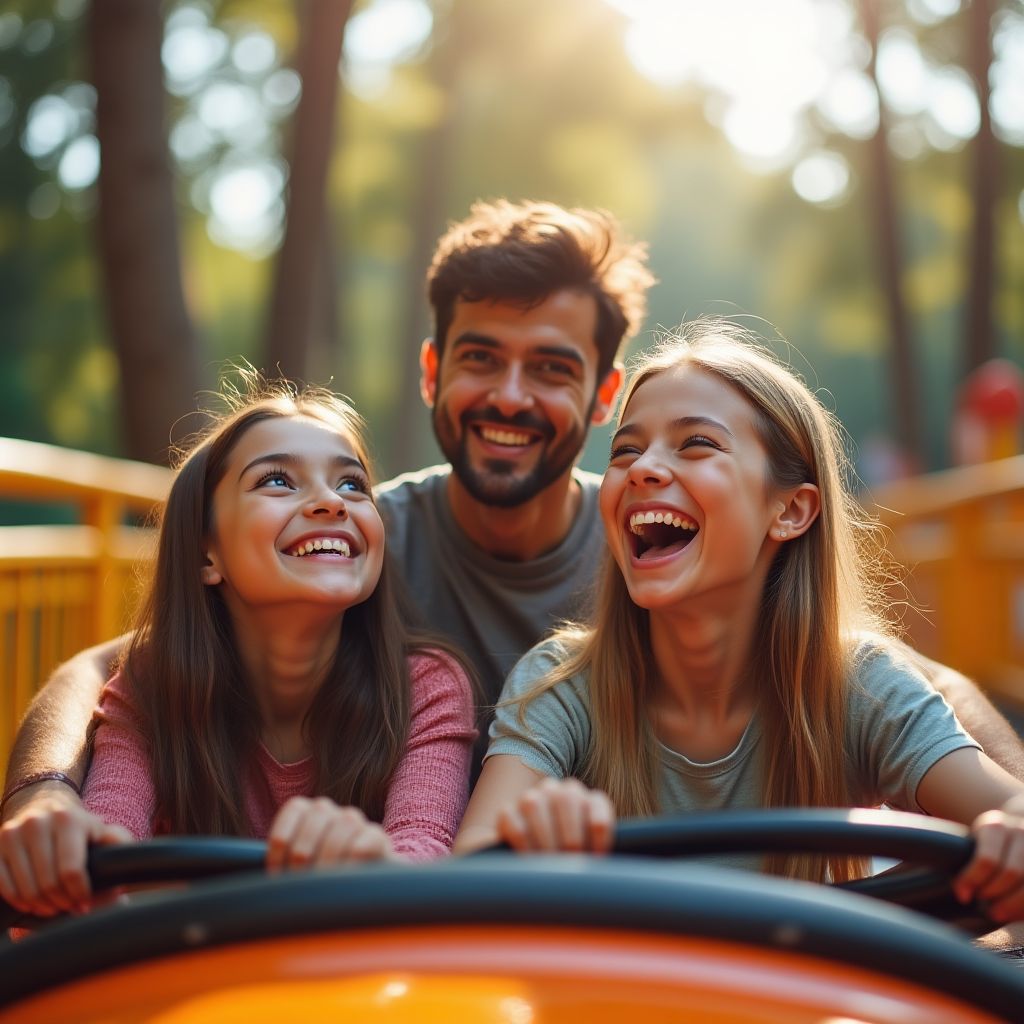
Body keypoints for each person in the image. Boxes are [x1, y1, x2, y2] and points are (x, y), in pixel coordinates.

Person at [4, 201, 1024, 909]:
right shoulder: (356, 543)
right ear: (431, 372)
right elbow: (123, 672)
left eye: (550, 368)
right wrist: (43, 794)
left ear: (601, 394)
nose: (508, 396)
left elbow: (896, 685)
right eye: (481, 358)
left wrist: (1017, 810)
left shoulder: (666, 554)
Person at [456, 320, 1024, 923]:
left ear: (791, 510)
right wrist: (533, 839)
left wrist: (1011, 828)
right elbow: (470, 872)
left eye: (696, 444)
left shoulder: (859, 684)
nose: (643, 468)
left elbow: (1009, 807)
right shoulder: (561, 684)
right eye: (625, 450)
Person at [0, 377, 476, 917]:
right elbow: (111, 848)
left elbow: (423, 858)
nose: (330, 502)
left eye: (352, 485)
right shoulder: (153, 687)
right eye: (277, 480)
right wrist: (71, 866)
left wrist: (376, 865)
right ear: (206, 554)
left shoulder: (426, 686)